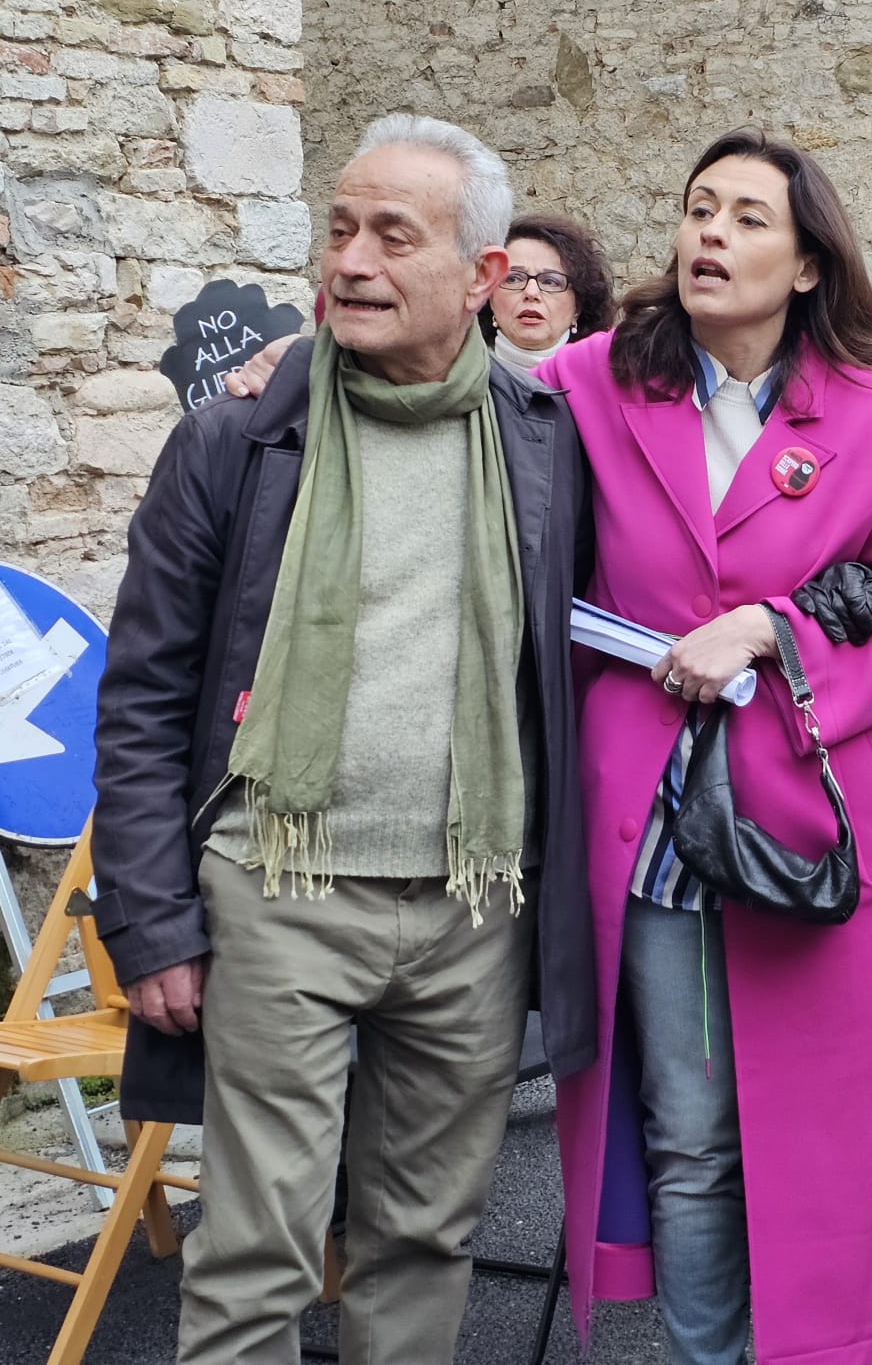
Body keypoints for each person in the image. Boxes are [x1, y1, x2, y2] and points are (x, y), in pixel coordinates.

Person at [89, 114, 594, 1364]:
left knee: (424, 1242)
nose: (352, 262)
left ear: (483, 276)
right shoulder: (239, 436)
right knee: (255, 1251)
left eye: (392, 235)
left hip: (476, 910)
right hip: (278, 896)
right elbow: (144, 690)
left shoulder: (552, 445)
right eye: (340, 229)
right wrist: (152, 922)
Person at [538, 129, 872, 1365]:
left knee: (830, 1141)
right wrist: (291, 365)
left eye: (744, 217)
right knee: (688, 1128)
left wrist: (771, 629)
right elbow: (445, 379)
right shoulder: (589, 382)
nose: (709, 234)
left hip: (815, 822)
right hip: (649, 812)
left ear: (808, 264)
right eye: (695, 210)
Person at [480, 212, 616, 369]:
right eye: (513, 279)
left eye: (551, 281)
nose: (531, 293)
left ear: (578, 307)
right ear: (489, 297)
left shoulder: (599, 383)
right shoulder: (461, 380)